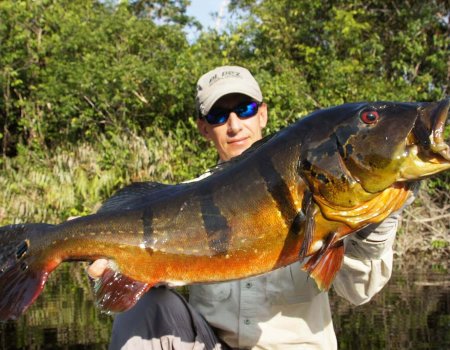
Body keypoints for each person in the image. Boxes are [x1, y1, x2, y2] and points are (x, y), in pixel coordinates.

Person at [88, 66, 405, 349]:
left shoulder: (321, 182)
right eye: (218, 116)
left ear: (263, 114)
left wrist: (378, 223)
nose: (234, 125)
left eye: (245, 109)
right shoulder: (182, 204)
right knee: (144, 308)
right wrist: (114, 266)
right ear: (203, 128)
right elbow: (140, 277)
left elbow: (359, 292)